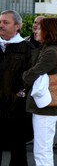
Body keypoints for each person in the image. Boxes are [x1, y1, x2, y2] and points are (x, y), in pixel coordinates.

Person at [22, 17, 57, 166]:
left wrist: (24, 75)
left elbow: (32, 73)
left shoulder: (51, 52)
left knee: (42, 150)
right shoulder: (48, 49)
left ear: (49, 32)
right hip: (44, 106)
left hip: (47, 107)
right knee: (42, 149)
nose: (36, 30)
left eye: (40, 28)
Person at [0, 10, 32, 166]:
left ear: (17, 26)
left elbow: (32, 76)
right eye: (0, 22)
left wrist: (22, 93)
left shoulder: (27, 49)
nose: (1, 25)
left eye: (6, 22)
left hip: (17, 108)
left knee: (18, 150)